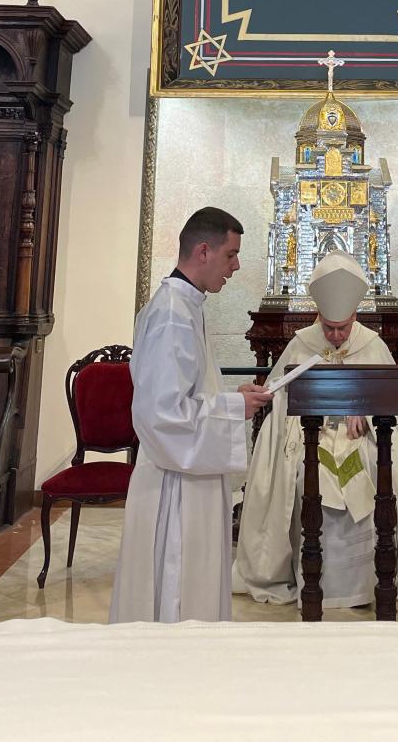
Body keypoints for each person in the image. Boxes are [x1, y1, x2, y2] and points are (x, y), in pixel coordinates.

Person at [234, 252, 398, 608]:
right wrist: (301, 417)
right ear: (318, 316)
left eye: (342, 328)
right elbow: (279, 397)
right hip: (306, 438)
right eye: (328, 327)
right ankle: (313, 579)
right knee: (301, 479)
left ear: (354, 317)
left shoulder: (372, 345)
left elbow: (391, 402)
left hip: (362, 438)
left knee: (380, 476)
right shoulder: (302, 344)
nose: (334, 336)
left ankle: (368, 582)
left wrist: (365, 408)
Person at [109, 207, 272, 623]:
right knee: (176, 590)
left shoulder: (187, 306)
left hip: (188, 472)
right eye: (231, 255)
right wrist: (235, 408)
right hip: (174, 482)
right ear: (203, 250)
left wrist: (233, 397)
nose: (235, 267)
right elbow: (162, 414)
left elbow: (187, 394)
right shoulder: (171, 314)